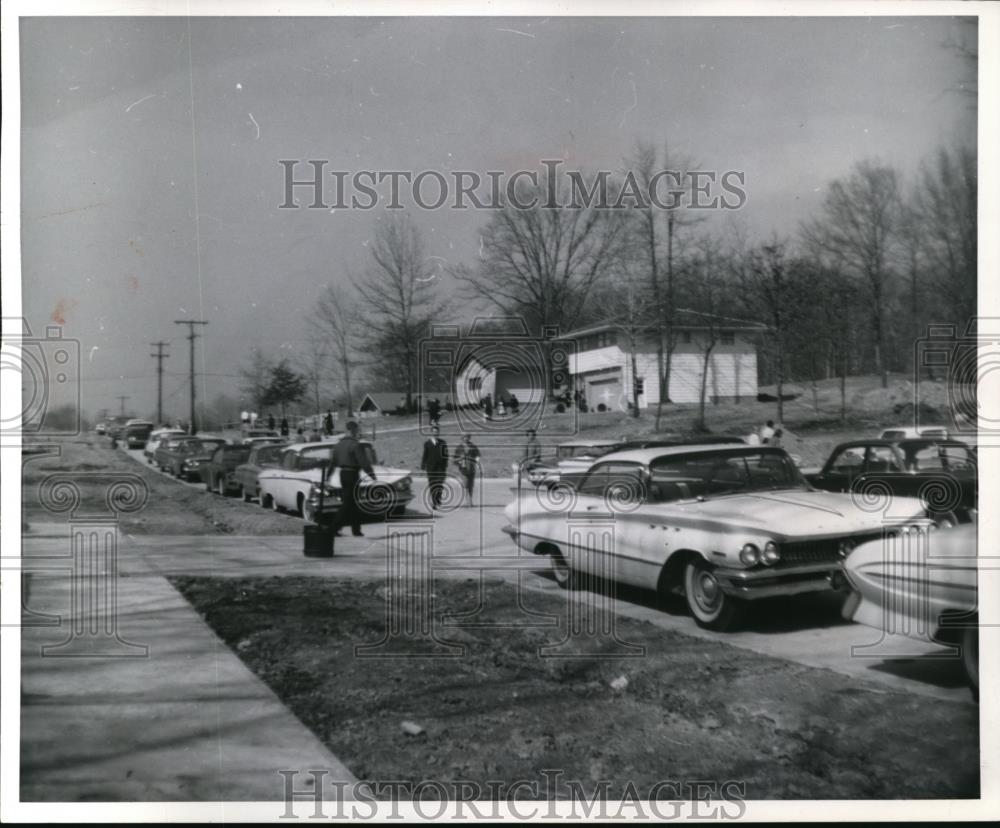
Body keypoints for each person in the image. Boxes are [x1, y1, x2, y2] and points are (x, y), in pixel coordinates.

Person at [328, 420, 376, 537]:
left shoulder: (338, 445)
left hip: (343, 474)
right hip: (352, 474)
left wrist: (328, 475)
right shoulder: (355, 444)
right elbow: (363, 461)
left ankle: (356, 530)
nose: (357, 432)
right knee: (348, 503)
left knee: (353, 503)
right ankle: (333, 528)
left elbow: (332, 462)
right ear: (353, 430)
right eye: (356, 430)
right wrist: (371, 474)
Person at [421, 424, 449, 509]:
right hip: (431, 468)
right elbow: (425, 455)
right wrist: (423, 465)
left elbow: (446, 455)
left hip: (441, 468)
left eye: (437, 432)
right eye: (434, 432)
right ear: (431, 433)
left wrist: (445, 465)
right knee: (433, 485)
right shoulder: (427, 443)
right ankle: (434, 502)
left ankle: (438, 500)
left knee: (440, 484)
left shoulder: (443, 442)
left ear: (439, 433)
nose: (436, 434)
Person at [453, 434, 481, 506]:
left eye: (468, 437)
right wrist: (460, 460)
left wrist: (477, 462)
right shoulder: (459, 447)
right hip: (463, 469)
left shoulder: (473, 447)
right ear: (462, 438)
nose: (466, 438)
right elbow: (454, 459)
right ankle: (468, 501)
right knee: (466, 484)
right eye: (465, 437)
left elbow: (478, 455)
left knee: (471, 485)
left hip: (472, 468)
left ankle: (470, 500)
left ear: (469, 437)